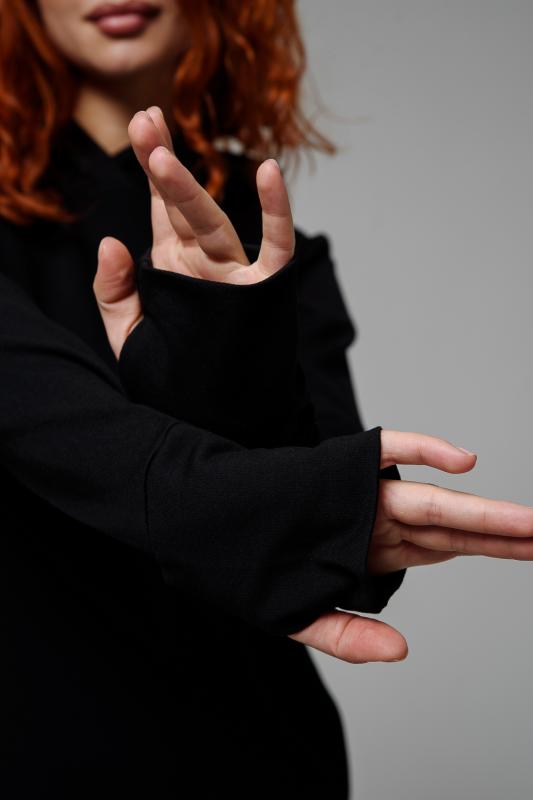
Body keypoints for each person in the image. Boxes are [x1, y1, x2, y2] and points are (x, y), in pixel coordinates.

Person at [1, 2, 532, 798]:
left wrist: (230, 360)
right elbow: (55, 424)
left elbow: (332, 514)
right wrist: (304, 502)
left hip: (259, 749)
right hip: (44, 741)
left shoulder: (282, 249)